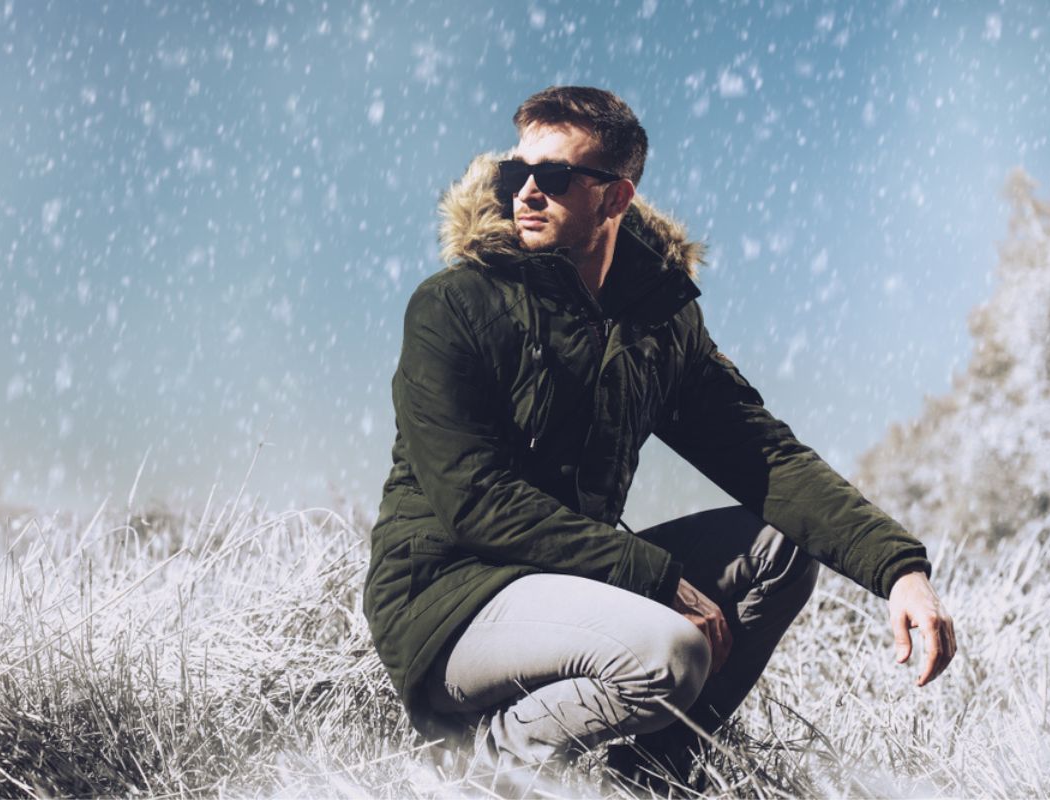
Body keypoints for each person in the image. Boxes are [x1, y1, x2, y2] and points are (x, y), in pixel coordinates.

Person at [361, 85, 956, 791]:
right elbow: (477, 502)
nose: (524, 193)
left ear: (615, 198)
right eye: (511, 173)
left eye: (552, 179)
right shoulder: (455, 304)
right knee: (668, 653)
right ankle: (486, 767)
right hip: (448, 598)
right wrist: (657, 578)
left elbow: (766, 458)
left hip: (565, 583)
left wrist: (899, 569)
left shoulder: (657, 323)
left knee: (782, 549)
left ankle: (650, 776)